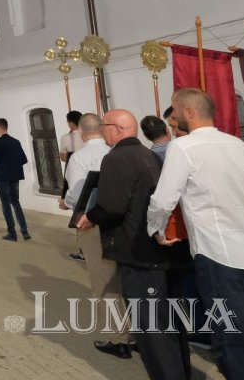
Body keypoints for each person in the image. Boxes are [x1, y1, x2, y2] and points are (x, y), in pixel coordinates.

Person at [148, 88, 244, 379]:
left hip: (218, 255)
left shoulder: (182, 147)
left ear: (189, 113)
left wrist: (155, 228)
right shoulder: (237, 144)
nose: (172, 116)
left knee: (233, 340)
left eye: (174, 110)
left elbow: (163, 199)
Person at [79, 110, 188, 375]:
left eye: (105, 126)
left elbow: (112, 206)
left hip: (137, 251)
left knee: (151, 328)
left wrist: (90, 216)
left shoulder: (116, 158)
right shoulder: (148, 154)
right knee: (170, 322)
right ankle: (181, 371)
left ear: (116, 128)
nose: (102, 131)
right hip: (159, 250)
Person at [60, 113, 121, 341]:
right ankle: (137, 333)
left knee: (103, 278)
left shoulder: (79, 157)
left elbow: (77, 196)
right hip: (120, 223)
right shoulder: (114, 152)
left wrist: (65, 201)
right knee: (123, 277)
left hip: (91, 222)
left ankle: (118, 337)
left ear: (82, 133)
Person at [0, 119, 30, 241]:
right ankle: (24, 231)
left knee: (5, 204)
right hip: (15, 176)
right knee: (16, 202)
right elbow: (24, 160)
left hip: (2, 177)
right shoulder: (16, 142)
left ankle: (12, 233)